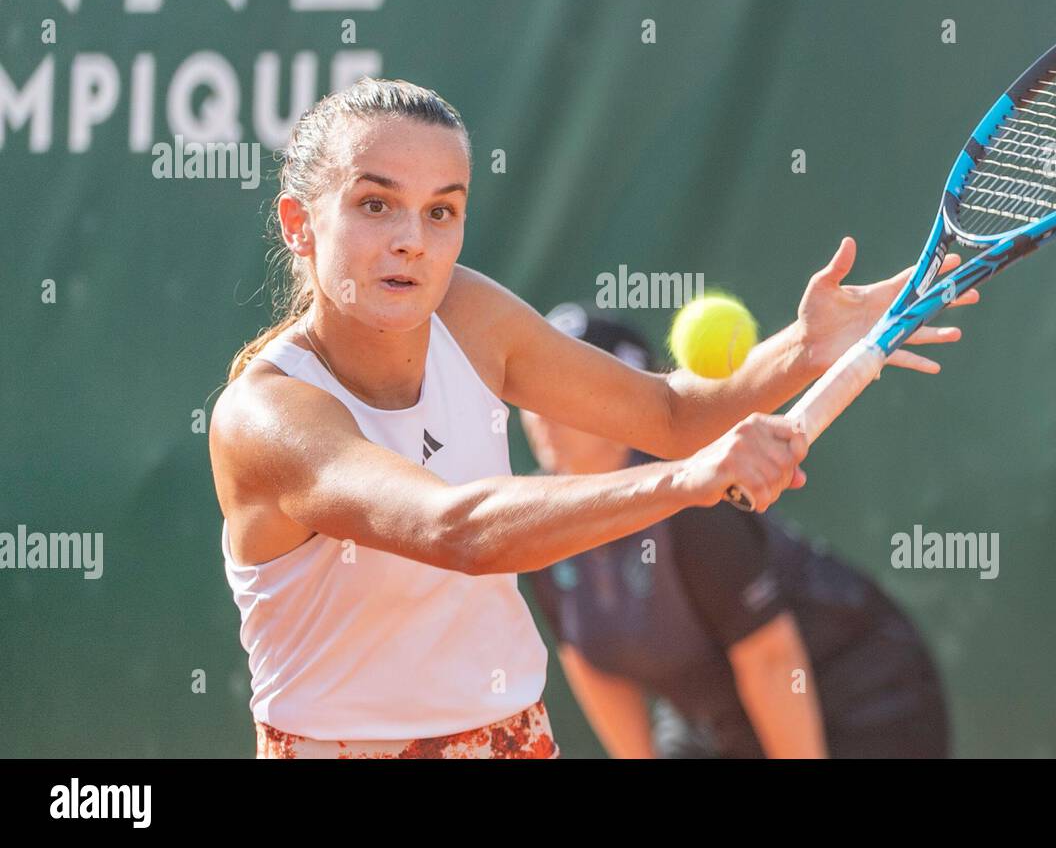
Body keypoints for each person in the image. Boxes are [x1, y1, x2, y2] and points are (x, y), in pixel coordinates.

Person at [208, 77, 976, 759]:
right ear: (299, 224)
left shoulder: (467, 314)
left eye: (442, 210)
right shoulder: (266, 415)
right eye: (376, 204)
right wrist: (687, 482)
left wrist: (804, 348)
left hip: (511, 736)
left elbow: (668, 413)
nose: (413, 239)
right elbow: (457, 530)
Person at [523, 305, 951, 759]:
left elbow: (771, 662)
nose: (542, 411)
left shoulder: (691, 501)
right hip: (716, 721)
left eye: (566, 390)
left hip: (864, 696)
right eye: (534, 389)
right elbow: (593, 666)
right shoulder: (538, 518)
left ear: (626, 406)